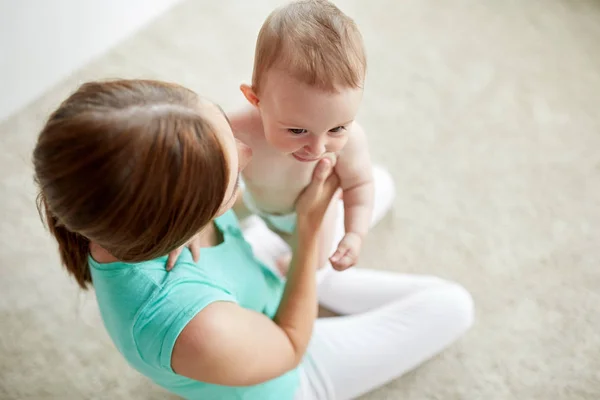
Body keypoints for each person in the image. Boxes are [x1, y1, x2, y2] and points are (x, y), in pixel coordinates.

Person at [33, 79, 474, 400]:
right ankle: (326, 275)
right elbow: (289, 344)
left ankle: (323, 268)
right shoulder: (191, 328)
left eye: (229, 134)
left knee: (374, 181)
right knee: (452, 304)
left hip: (248, 283)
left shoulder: (132, 213)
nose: (248, 151)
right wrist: (309, 232)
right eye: (233, 171)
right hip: (289, 370)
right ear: (182, 219)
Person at [229, 0, 373, 273]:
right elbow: (203, 168)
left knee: (312, 264)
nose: (318, 149)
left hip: (309, 214)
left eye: (337, 128)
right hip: (252, 200)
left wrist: (355, 234)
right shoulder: (238, 128)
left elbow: (360, 184)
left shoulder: (352, 141)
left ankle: (280, 271)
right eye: (297, 130)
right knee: (211, 224)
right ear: (255, 99)